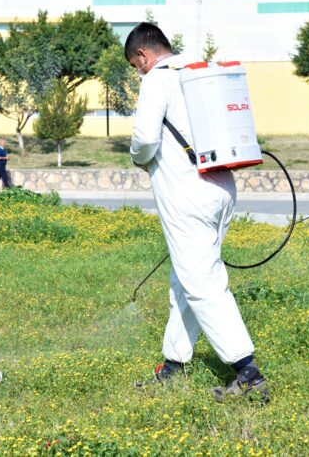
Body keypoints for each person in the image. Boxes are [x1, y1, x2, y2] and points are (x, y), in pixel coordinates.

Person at [125, 22, 268, 402]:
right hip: (221, 188)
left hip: (187, 195)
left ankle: (247, 372)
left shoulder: (157, 79)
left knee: (203, 283)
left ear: (143, 55)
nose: (138, 71)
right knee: (184, 278)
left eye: (135, 65)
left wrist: (139, 160)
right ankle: (174, 362)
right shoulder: (199, 70)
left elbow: (144, 140)